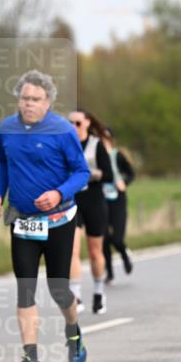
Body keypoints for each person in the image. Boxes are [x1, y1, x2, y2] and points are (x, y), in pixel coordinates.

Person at [0, 70, 91, 362]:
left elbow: (81, 172)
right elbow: (3, 164)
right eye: (24, 98)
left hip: (59, 220)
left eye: (36, 99)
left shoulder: (62, 130)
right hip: (22, 221)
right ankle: (30, 360)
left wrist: (59, 192)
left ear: (47, 102)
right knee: (25, 290)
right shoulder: (7, 128)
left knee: (59, 290)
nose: (29, 104)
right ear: (18, 99)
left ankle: (73, 331)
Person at [67, 110, 114, 314]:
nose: (74, 127)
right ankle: (76, 295)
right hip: (71, 202)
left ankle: (98, 291)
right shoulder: (64, 145)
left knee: (95, 251)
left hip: (94, 201)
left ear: (86, 123)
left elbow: (109, 175)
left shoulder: (96, 145)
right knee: (72, 250)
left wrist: (86, 174)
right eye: (70, 123)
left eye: (77, 123)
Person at [100, 127, 135, 283]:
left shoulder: (117, 155)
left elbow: (131, 173)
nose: (103, 141)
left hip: (118, 200)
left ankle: (124, 255)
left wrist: (125, 182)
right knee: (105, 239)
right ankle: (109, 272)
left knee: (117, 238)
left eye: (106, 138)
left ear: (111, 140)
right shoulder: (95, 158)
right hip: (101, 200)